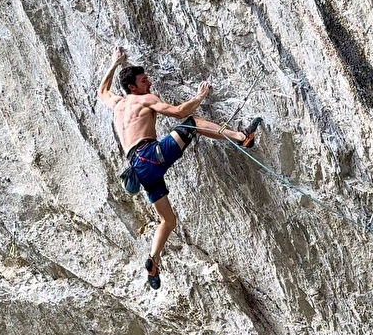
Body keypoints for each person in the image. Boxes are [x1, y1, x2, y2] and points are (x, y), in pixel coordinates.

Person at [98, 46, 261, 289]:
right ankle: (240, 137)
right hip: (150, 156)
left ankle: (153, 260)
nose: (149, 82)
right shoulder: (145, 100)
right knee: (192, 123)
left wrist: (115, 63)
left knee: (168, 220)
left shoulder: (118, 104)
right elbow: (178, 112)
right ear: (133, 87)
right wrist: (200, 95)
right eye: (144, 80)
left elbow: (102, 90)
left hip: (138, 169)